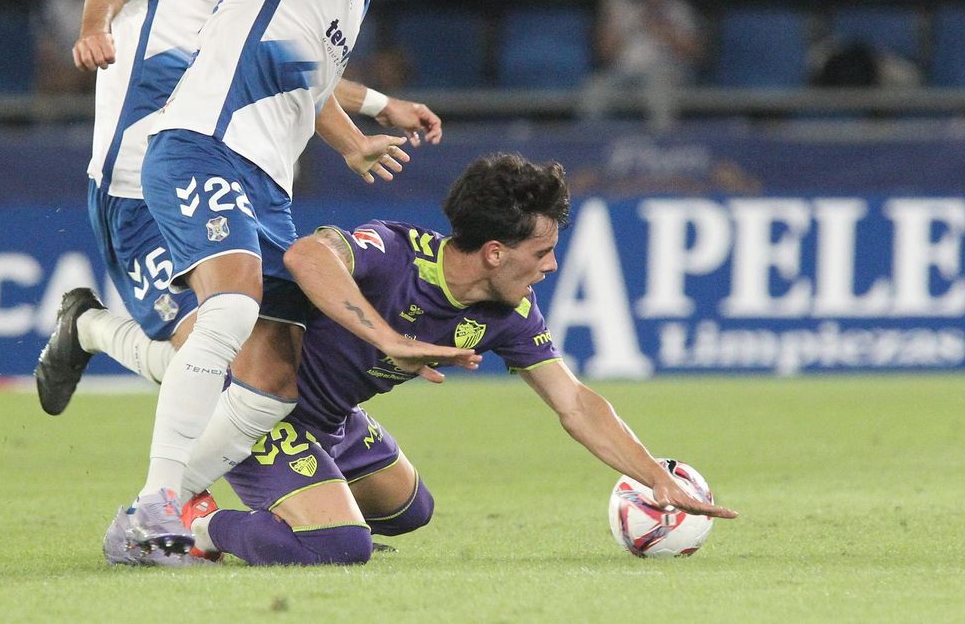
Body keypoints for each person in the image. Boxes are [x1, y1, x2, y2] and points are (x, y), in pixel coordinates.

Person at [96, 0, 466, 565]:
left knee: (274, 372)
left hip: (264, 184)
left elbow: (303, 80)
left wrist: (357, 135)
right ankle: (165, 498)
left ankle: (145, 518)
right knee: (229, 305)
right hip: (202, 147)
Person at [186, 153, 739, 565]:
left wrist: (653, 477)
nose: (549, 267)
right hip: (262, 410)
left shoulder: (511, 311)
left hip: (332, 419)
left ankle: (299, 509)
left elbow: (574, 401)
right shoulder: (394, 253)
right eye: (542, 252)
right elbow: (306, 253)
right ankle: (200, 528)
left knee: (410, 512)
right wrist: (389, 339)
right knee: (341, 545)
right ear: (495, 253)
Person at [581, 0, 702, 121]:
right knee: (594, 89)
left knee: (658, 88)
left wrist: (666, 32)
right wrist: (625, 27)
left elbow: (697, 54)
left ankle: (662, 142)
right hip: (624, 73)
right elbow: (604, 55)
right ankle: (594, 142)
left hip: (666, 71)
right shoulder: (622, 8)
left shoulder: (679, 9)